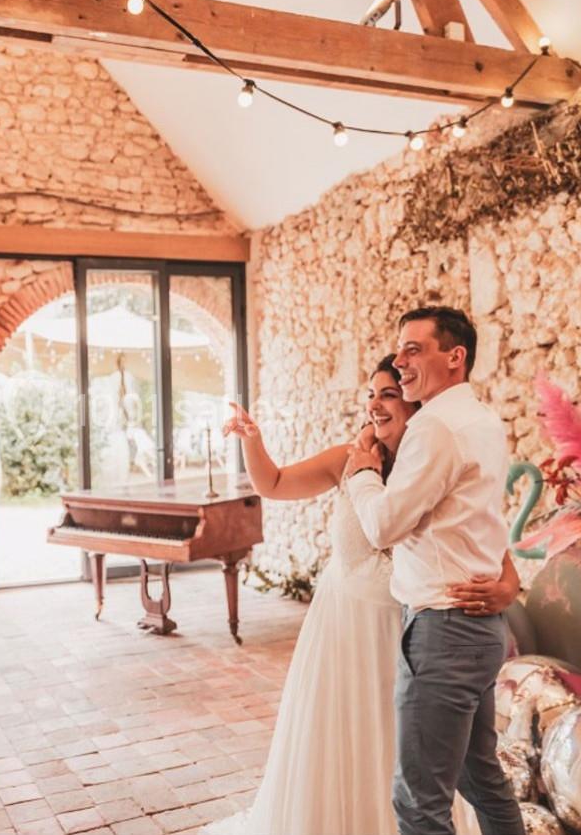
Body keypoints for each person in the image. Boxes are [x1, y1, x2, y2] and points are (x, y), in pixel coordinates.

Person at [203, 354, 519, 835]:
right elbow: (274, 482)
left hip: (411, 630)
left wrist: (507, 587)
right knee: (349, 745)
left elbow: (485, 541)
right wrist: (253, 440)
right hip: (345, 631)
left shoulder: (435, 458)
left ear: (414, 404)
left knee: (417, 762)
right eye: (370, 394)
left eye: (388, 394)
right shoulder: (348, 461)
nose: (374, 404)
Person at [344, 307, 524, 835]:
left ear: (455, 356)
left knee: (419, 802)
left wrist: (362, 475)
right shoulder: (483, 419)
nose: (400, 361)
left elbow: (383, 526)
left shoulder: (435, 426)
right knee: (482, 779)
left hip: (444, 632)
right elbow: (478, 522)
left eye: (413, 349)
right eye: (399, 350)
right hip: (478, 632)